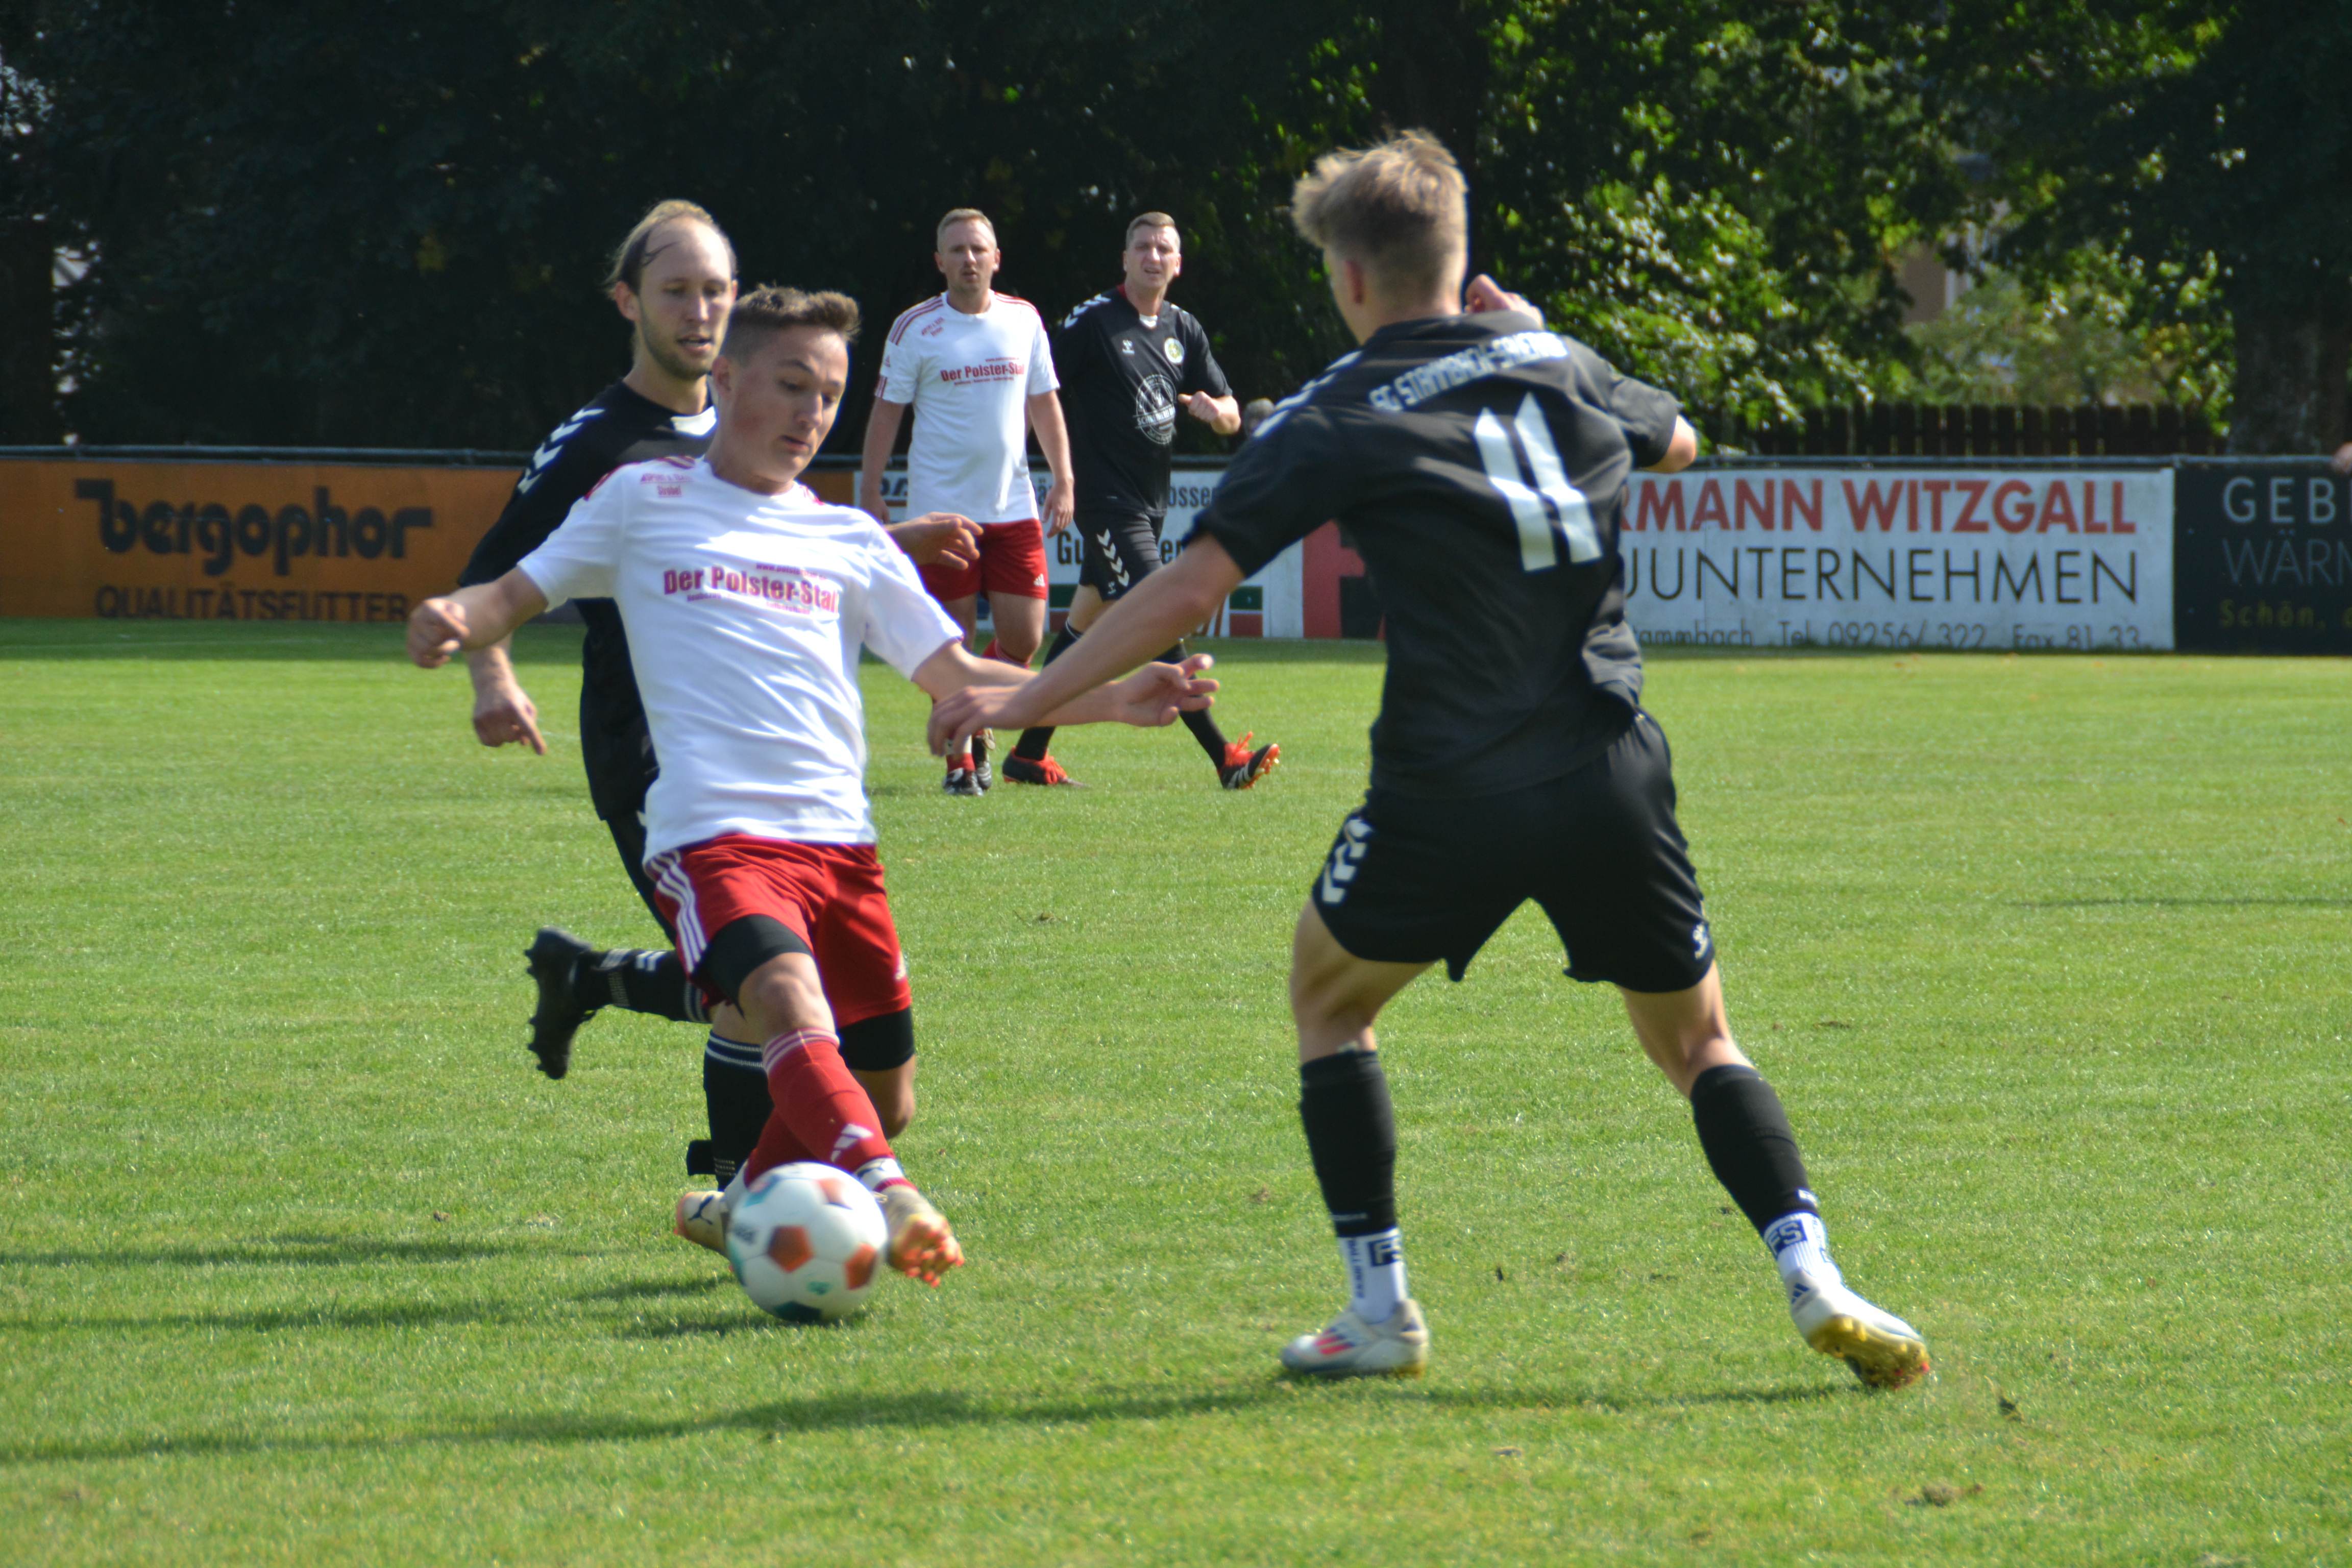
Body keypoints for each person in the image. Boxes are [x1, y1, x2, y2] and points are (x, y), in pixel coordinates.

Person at [929, 133, 1930, 1390]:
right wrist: (1539, 333)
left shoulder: (1336, 405)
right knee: (1699, 1042)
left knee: (1328, 999)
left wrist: (1025, 695)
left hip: (1448, 782)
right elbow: (1679, 442)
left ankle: (1380, 1307)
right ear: (1461, 261)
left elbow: (1186, 590)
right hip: (1610, 762)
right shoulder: (1557, 359)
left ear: (1351, 279)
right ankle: (1813, 1271)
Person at [410, 286, 1215, 1286]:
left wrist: (1113, 694)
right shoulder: (642, 499)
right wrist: (458, 616)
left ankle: (742, 1202)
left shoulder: (849, 540)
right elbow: (511, 591)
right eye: (792, 385)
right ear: (727, 378)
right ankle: (889, 1191)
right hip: (710, 832)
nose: (812, 413)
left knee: (885, 1092)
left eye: (830, 394)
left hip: (840, 846)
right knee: (790, 1004)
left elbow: (962, 679)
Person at [453, 201, 978, 1246]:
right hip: (653, 750)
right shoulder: (601, 445)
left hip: (771, 759)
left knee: (763, 984)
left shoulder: (745, 410)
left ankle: (607, 1000)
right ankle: (754, 1198)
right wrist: (490, 676)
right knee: (767, 985)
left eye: (715, 291)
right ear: (627, 302)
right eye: (676, 291)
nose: (699, 311)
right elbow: (492, 573)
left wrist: (887, 543)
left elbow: (777, 537)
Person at [1000, 212, 1280, 791]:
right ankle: (1225, 758)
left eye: (1164, 249)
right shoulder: (1093, 321)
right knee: (1161, 614)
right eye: (1143, 247)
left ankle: (1028, 753)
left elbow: (1232, 415)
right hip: (1105, 501)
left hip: (1151, 504)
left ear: (1178, 264)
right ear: (1125, 259)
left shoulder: (1184, 328)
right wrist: (1048, 472)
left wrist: (1217, 413)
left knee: (1084, 626)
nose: (1154, 256)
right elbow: (1037, 391)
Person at [857, 208, 1077, 794]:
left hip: (1014, 507)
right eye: (956, 250)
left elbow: (1045, 402)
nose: (969, 259)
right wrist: (871, 487)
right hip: (943, 515)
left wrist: (1064, 478)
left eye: (979, 249)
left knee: (1025, 638)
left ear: (996, 258)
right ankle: (960, 763)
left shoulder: (1024, 319)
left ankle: (976, 715)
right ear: (940, 262)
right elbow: (887, 411)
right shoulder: (915, 328)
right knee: (948, 643)